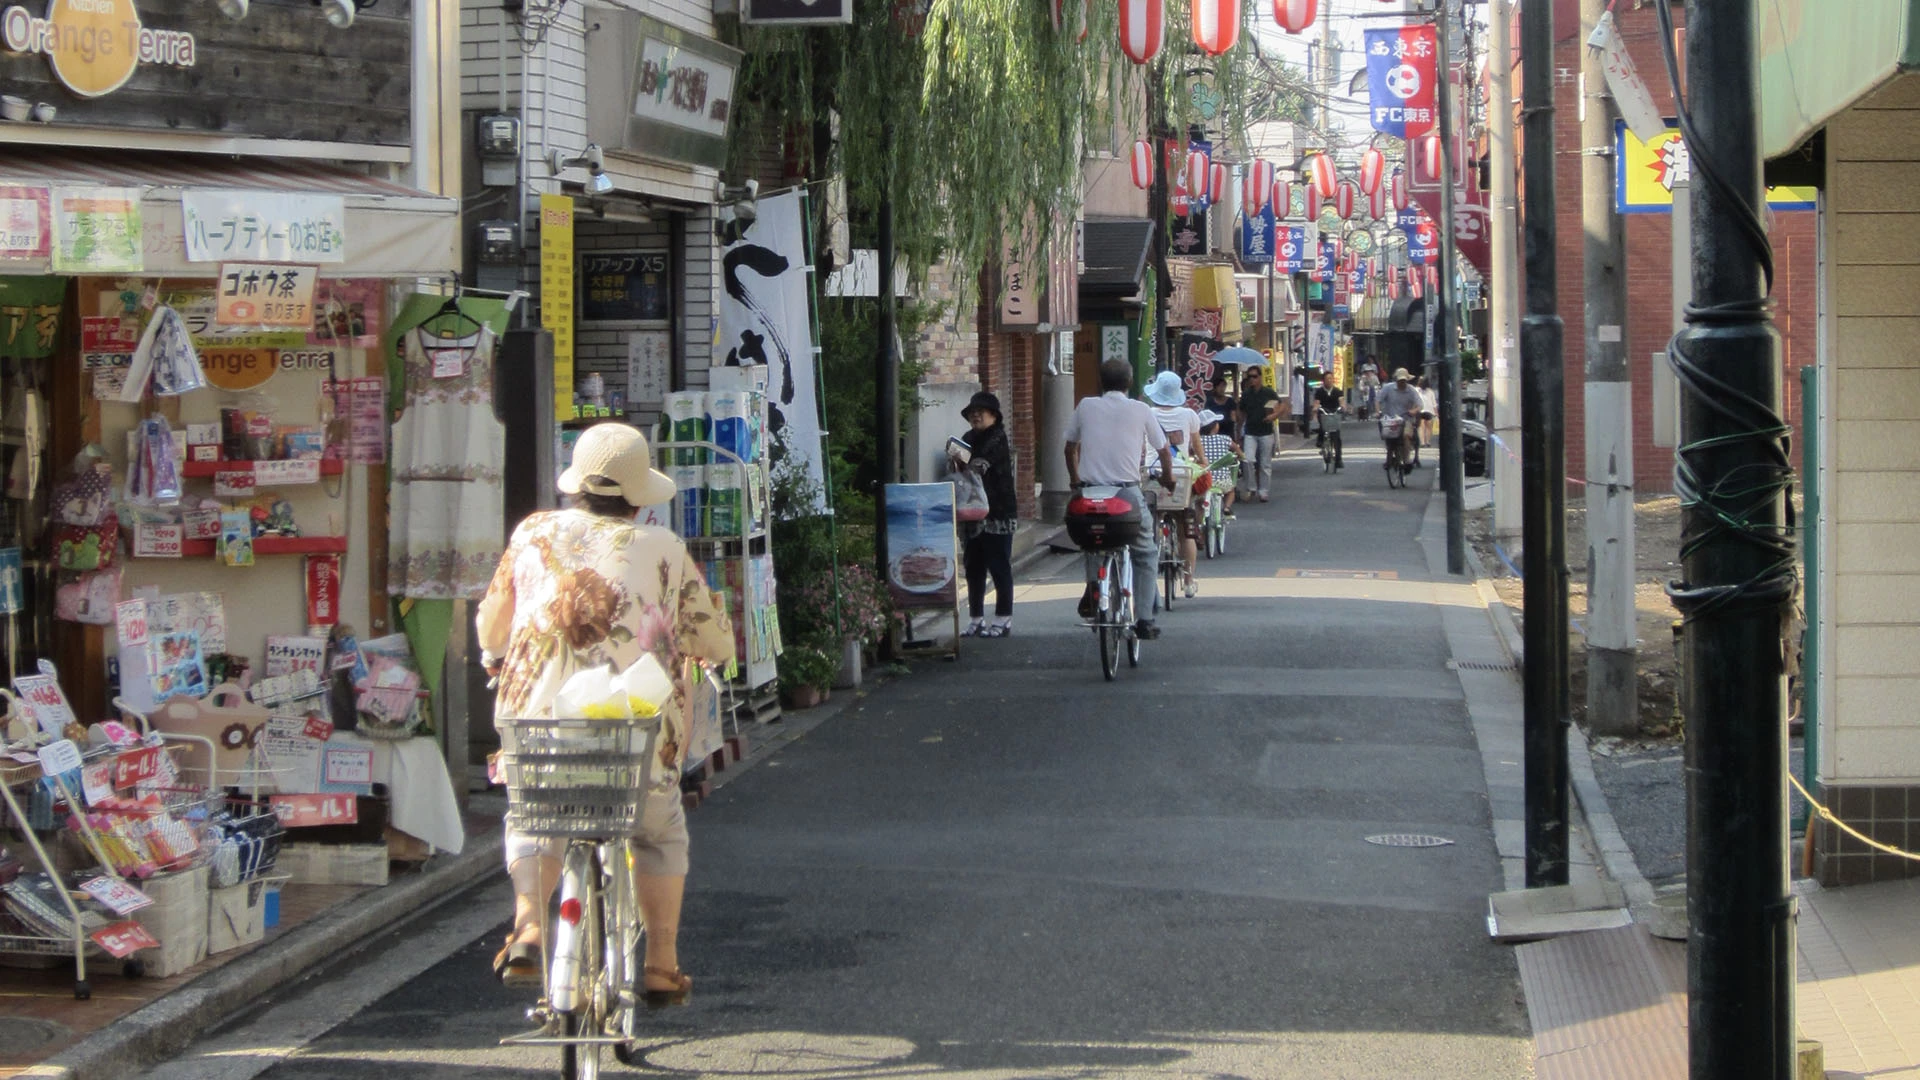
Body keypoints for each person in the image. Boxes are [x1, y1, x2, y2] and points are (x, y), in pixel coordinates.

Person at [476, 422, 737, 1000]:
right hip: (631, 737)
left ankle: (530, 926)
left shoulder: (533, 534)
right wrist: (708, 651)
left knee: (532, 815)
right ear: (639, 494)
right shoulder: (662, 548)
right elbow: (712, 640)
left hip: (539, 729)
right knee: (658, 828)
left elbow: (491, 623)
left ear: (576, 485)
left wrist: (497, 657)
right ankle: (661, 964)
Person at [1065, 359, 1176, 639]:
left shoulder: (1086, 406)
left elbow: (1069, 448)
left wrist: (1075, 480)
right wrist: (1168, 478)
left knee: (1091, 542)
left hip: (1090, 492)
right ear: (1129, 382)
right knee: (1146, 552)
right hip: (1125, 494)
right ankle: (1145, 619)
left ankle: (1093, 587)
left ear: (1101, 382)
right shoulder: (1141, 410)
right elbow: (1163, 451)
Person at [953, 391, 1018, 638]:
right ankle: (976, 618)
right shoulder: (967, 438)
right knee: (973, 567)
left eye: (981, 412)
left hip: (997, 512)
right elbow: (960, 466)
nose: (975, 415)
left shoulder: (997, 438)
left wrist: (962, 461)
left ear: (994, 415)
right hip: (971, 512)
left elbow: (978, 466)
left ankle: (1003, 618)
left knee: (999, 565)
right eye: (972, 412)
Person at [1144, 371, 1202, 599]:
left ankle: (1148, 580)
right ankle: (1188, 581)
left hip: (1152, 473)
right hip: (1181, 475)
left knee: (1149, 527)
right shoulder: (1189, 415)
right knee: (1186, 529)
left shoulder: (1146, 413)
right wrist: (1204, 463)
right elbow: (1196, 446)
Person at [1237, 366, 1283, 502]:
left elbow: (1282, 406)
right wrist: (1239, 429)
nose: (1252, 379)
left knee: (1265, 463)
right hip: (1250, 431)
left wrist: (1273, 416)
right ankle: (1251, 487)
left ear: (1260, 377)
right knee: (1248, 460)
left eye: (1255, 376)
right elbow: (1241, 412)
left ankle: (1263, 491)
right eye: (1249, 377)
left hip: (1266, 432)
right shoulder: (1246, 394)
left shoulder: (1268, 392)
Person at [1377, 368, 1425, 474]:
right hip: (1390, 419)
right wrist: (1378, 411)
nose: (1402, 383)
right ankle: (1389, 457)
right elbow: (1378, 399)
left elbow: (1420, 404)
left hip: (1406, 418)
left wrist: (1414, 410)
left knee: (1406, 436)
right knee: (1388, 436)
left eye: (1404, 380)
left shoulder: (1411, 390)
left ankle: (1407, 460)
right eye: (1400, 380)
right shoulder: (1388, 388)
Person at [1198, 410, 1239, 519]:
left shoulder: (1198, 441)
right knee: (1231, 491)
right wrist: (1241, 456)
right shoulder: (1225, 439)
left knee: (1198, 497)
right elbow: (1237, 450)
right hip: (1222, 481)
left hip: (1205, 482)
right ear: (1215, 426)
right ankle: (1226, 507)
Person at [1313, 374, 1346, 470]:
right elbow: (1317, 402)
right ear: (1323, 380)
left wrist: (1343, 407)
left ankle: (1338, 459)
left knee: (1337, 436)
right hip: (1324, 412)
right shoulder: (1319, 391)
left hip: (1335, 413)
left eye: (1331, 378)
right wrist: (1315, 408)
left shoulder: (1337, 391)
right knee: (1322, 426)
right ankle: (1320, 441)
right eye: (1327, 379)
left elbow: (1341, 401)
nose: (1329, 380)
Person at [1415, 375, 1439, 466]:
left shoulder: (1416, 390)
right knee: (1428, 427)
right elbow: (1434, 404)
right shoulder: (1430, 391)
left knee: (1421, 426)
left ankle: (1422, 442)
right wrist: (1436, 413)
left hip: (1420, 410)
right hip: (1429, 410)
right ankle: (1427, 441)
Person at [1290, 367, 1310, 435]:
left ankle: (1296, 427)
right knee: (1301, 413)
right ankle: (1301, 427)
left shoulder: (1293, 378)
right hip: (1301, 397)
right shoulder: (1302, 378)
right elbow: (1305, 387)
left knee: (1295, 413)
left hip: (1294, 397)